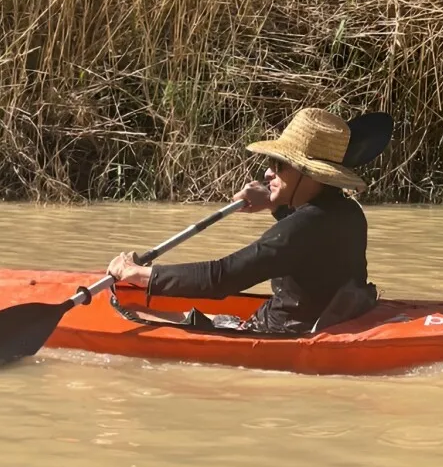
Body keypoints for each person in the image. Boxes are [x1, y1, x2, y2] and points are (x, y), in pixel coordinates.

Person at [105, 107, 377, 334]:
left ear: (310, 174)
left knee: (148, 314)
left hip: (279, 331)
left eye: (278, 164)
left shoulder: (300, 230)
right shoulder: (349, 212)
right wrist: (274, 202)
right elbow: (306, 243)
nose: (268, 173)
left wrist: (140, 274)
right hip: (320, 320)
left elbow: (222, 277)